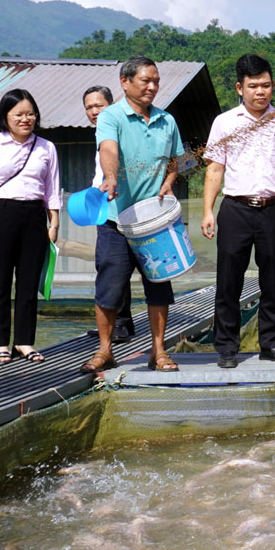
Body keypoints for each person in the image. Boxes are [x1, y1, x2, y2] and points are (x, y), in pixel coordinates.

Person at [79, 56, 185, 374]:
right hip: (116, 221)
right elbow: (108, 149)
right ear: (125, 82)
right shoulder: (111, 116)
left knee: (158, 285)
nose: (152, 86)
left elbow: (176, 160)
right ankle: (105, 351)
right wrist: (111, 176)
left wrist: (168, 182)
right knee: (109, 286)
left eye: (156, 81)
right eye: (145, 81)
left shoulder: (167, 120)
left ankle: (159, 352)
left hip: (155, 222)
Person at [201, 54, 275, 369]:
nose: (261, 92)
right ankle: (227, 347)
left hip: (274, 210)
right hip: (235, 209)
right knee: (229, 280)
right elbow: (215, 169)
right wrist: (208, 209)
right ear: (239, 87)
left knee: (272, 280)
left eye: (266, 85)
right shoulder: (225, 123)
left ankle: (271, 344)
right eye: (253, 86)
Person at [0, 89, 62, 363]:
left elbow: (52, 188)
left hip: (34, 216)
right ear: (5, 116)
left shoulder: (47, 147)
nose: (26, 119)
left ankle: (24, 342)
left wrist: (54, 221)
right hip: (0, 214)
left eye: (30, 113)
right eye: (19, 114)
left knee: (29, 281)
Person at [83, 85, 135, 344]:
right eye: (89, 108)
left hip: (122, 207)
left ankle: (122, 324)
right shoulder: (100, 134)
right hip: (102, 205)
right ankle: (114, 323)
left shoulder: (118, 130)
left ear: (111, 105)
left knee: (117, 268)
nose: (94, 112)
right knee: (107, 267)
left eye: (98, 106)